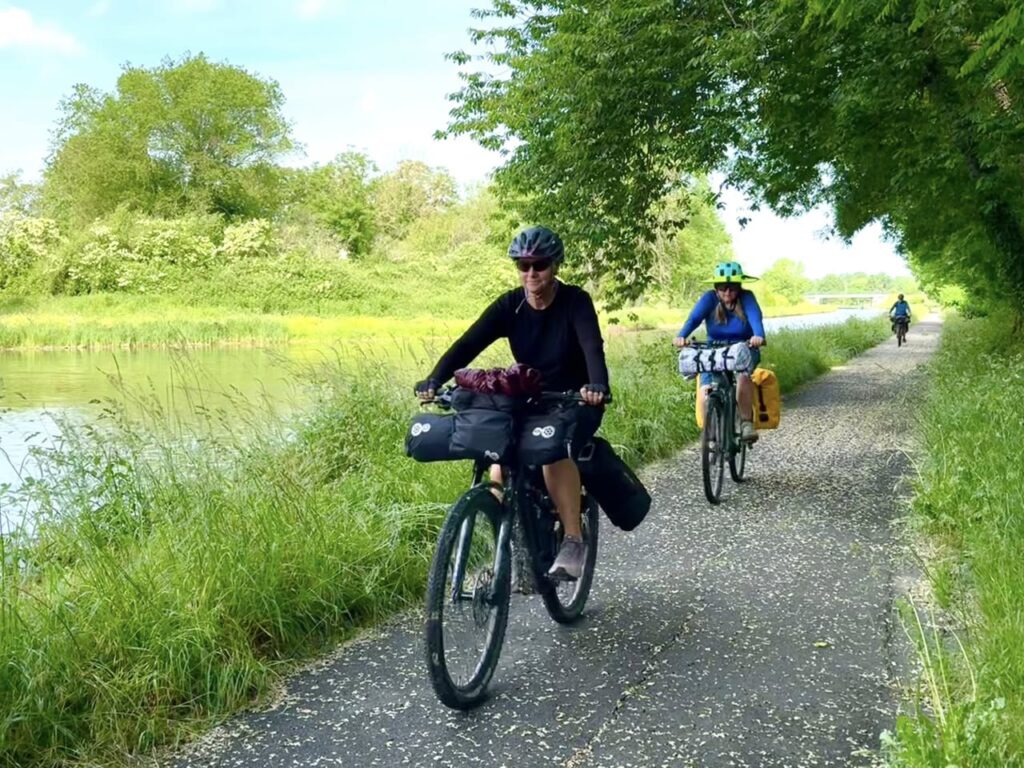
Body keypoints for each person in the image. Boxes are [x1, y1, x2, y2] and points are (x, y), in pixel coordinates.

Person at [415, 226, 609, 581]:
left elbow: (591, 346)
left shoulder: (575, 302)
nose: (531, 273)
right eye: (523, 265)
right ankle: (504, 548)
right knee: (497, 460)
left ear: (555, 266)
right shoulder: (510, 305)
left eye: (540, 265)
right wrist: (435, 378)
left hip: (575, 398)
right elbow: (466, 344)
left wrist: (596, 385)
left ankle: (572, 539)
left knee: (553, 450)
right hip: (531, 397)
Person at [672, 261, 766, 443]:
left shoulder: (747, 298)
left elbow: (756, 319)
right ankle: (710, 425)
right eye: (723, 288)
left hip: (744, 348)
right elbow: (693, 320)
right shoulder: (709, 299)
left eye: (732, 288)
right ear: (716, 289)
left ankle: (746, 423)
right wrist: (681, 336)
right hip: (714, 350)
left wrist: (758, 336)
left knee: (743, 377)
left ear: (739, 287)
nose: (727, 292)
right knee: (706, 387)